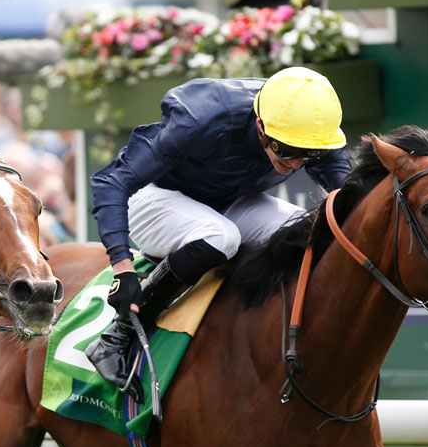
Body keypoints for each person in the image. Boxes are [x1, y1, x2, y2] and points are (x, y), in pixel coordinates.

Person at [85, 66, 351, 396]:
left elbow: (348, 198)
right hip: (155, 197)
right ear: (260, 126)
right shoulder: (201, 120)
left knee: (306, 233)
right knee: (221, 236)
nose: (296, 164)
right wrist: (122, 267)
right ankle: (118, 335)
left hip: (229, 201)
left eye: (308, 154)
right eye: (286, 149)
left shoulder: (311, 129)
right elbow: (111, 181)